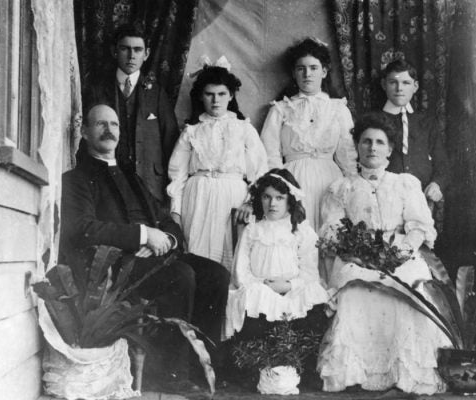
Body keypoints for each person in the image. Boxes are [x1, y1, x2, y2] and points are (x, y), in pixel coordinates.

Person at [60, 104, 230, 389]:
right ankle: (168, 374)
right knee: (180, 276)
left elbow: (167, 222)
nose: (109, 130)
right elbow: (83, 229)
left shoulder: (131, 177)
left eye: (114, 125)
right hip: (117, 264)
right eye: (100, 124)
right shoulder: (76, 179)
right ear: (85, 132)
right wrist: (142, 235)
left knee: (216, 274)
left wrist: (164, 241)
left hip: (153, 255)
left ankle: (202, 369)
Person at [316, 113, 448, 394]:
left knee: (411, 285)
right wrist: (357, 254)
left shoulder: (405, 183)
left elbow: (418, 226)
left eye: (379, 142)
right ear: (357, 147)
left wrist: (400, 252)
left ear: (390, 149)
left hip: (399, 253)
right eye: (366, 142)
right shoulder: (342, 188)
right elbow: (333, 229)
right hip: (357, 255)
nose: (372, 148)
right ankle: (357, 373)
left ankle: (405, 372)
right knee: (353, 287)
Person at [167, 59, 268, 269]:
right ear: (201, 96)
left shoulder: (244, 129)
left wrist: (250, 202)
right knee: (196, 255)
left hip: (232, 198)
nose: (215, 100)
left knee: (231, 258)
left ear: (231, 96)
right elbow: (177, 175)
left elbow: (260, 171)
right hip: (198, 197)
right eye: (209, 94)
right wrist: (175, 212)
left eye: (221, 94)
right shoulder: (191, 131)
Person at [260, 37, 358, 235]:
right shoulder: (280, 109)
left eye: (313, 68)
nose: (307, 74)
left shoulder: (338, 109)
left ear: (324, 71)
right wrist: (281, 188)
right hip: (293, 182)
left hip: (330, 182)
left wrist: (350, 188)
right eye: (301, 68)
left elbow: (348, 157)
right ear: (294, 73)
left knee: (330, 236)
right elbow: (269, 154)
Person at [223, 169, 329, 343]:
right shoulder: (252, 230)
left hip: (292, 290)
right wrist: (263, 286)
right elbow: (240, 272)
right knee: (254, 303)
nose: (272, 204)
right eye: (267, 197)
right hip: (260, 289)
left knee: (312, 300)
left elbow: (310, 274)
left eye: (279, 198)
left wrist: (287, 286)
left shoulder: (302, 231)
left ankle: (296, 364)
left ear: (290, 201)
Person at [82, 24, 179, 202]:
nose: (131, 56)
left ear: (147, 54)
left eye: (138, 50)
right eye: (125, 49)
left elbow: (170, 141)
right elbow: (85, 137)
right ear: (114, 51)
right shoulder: (98, 89)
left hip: (149, 183)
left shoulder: (157, 93)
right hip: (108, 181)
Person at [380, 59, 450, 204]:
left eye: (406, 83)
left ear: (415, 86)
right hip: (385, 198)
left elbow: (442, 164)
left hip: (421, 198)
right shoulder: (375, 120)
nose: (399, 88)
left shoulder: (427, 122)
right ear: (384, 85)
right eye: (393, 82)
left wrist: (437, 184)